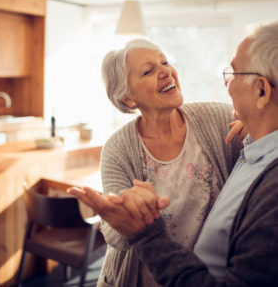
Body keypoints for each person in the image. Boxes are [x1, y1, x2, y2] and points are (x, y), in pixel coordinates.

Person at [69, 20, 278, 286]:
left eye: (165, 62)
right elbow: (114, 232)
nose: (165, 72)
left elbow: (264, 135)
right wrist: (129, 211)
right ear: (129, 99)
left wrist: (254, 127)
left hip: (198, 276)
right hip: (143, 275)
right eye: (148, 71)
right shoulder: (119, 148)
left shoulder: (218, 119)